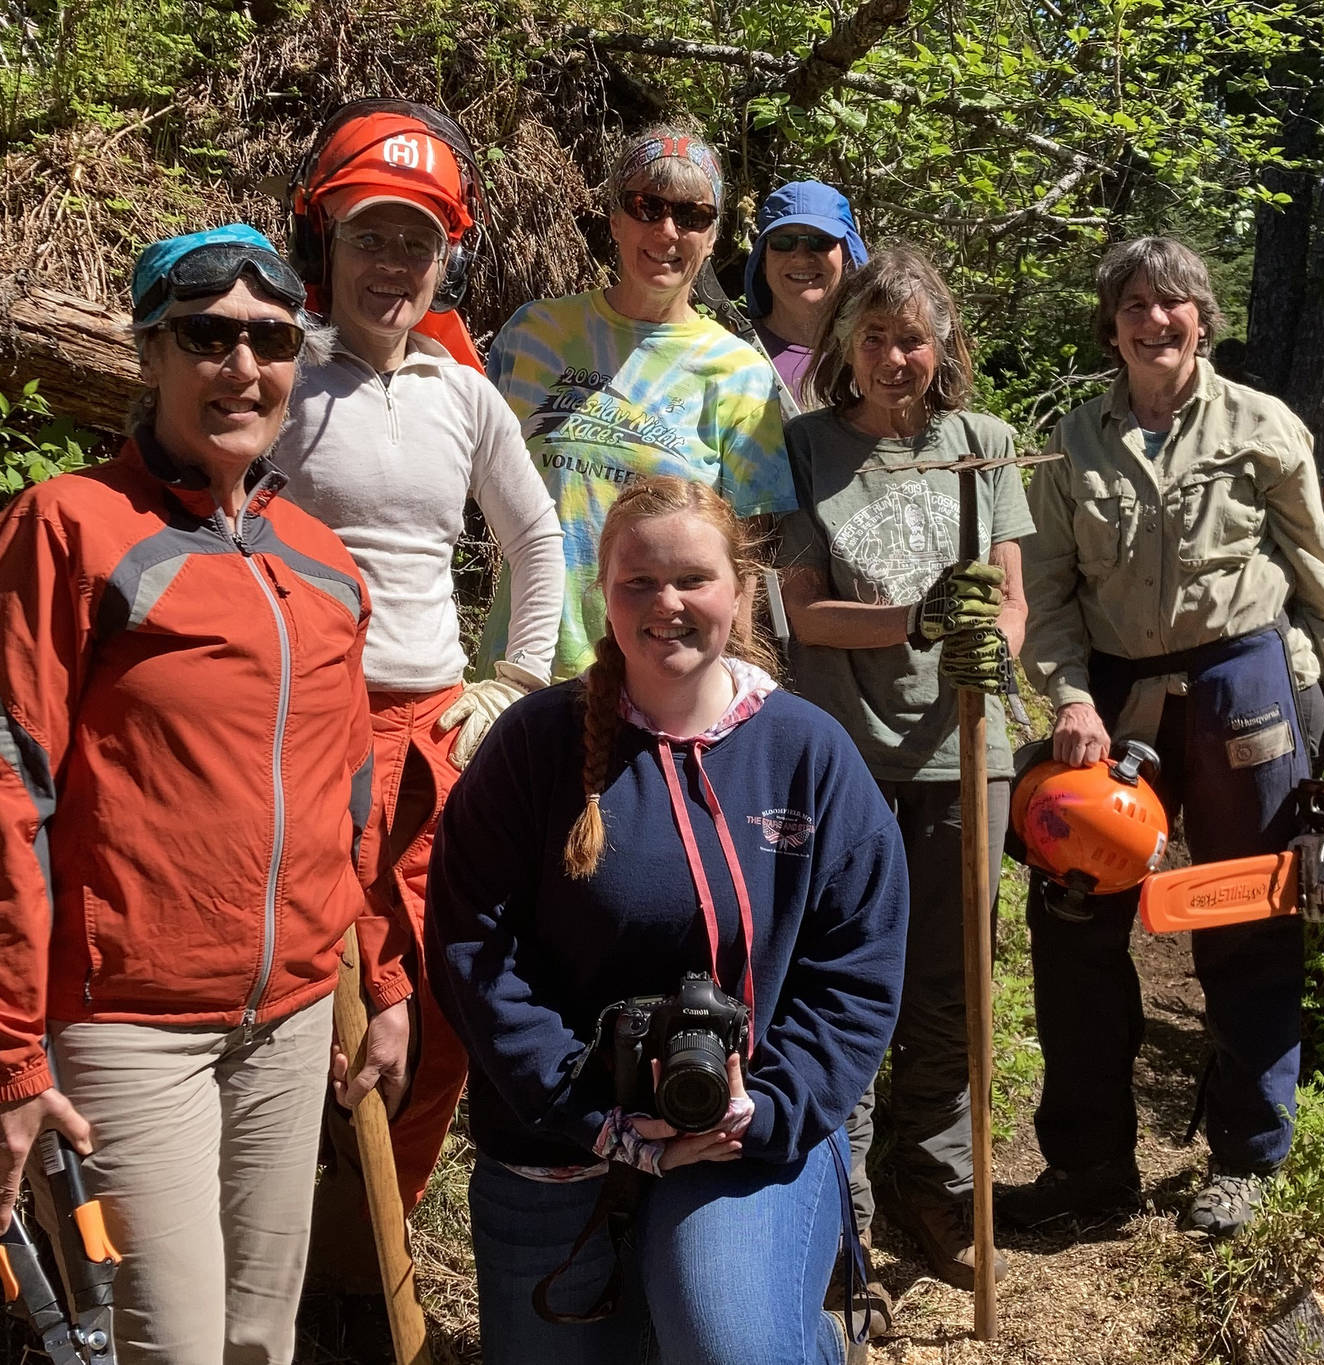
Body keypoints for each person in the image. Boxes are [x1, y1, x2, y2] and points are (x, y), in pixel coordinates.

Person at [0, 224, 371, 1364]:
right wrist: (3, 1059)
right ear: (148, 354)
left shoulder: (323, 563)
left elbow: (349, 800)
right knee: (164, 1348)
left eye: (270, 339)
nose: (241, 367)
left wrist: (381, 980)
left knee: (260, 1344)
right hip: (128, 1027)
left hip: (289, 1020)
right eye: (206, 337)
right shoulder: (71, 528)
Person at [425, 475, 909, 1364]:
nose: (667, 604)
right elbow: (472, 947)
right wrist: (589, 1110)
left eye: (693, 578)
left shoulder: (806, 754)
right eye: (638, 583)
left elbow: (856, 970)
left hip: (748, 1134)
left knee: (728, 1339)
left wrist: (762, 1110)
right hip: (557, 1131)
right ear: (601, 595)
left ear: (743, 590)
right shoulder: (536, 747)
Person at [1000, 236, 1324, 1241]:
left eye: (1171, 302)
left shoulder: (1261, 427)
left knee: (1248, 922)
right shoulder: (1069, 444)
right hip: (1111, 707)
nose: (1153, 318)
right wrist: (1068, 701)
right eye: (1132, 303)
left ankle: (1245, 1161)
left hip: (1242, 691)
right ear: (1110, 324)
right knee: (1074, 928)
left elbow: (1321, 586)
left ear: (1202, 318)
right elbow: (1043, 596)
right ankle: (1089, 1170)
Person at [276, 100, 566, 1321]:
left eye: (416, 243)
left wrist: (512, 685)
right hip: (296, 734)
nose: (392, 265)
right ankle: (277, 1257)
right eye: (369, 237)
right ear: (323, 242)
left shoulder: (463, 393)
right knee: (306, 994)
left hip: (433, 730)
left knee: (440, 991)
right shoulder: (275, 372)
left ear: (444, 255)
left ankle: (373, 1247)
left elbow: (536, 538)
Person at [776, 243, 1029, 1308]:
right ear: (844, 347)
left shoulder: (985, 444)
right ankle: (831, 1223)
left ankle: (933, 1198)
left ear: (943, 346)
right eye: (873, 338)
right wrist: (916, 617)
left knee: (950, 983)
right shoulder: (802, 450)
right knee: (842, 979)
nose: (892, 358)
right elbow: (799, 611)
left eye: (911, 339)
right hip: (845, 752)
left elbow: (1013, 600)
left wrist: (993, 647)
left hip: (967, 749)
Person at [481, 124, 797, 679]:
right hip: (523, 666)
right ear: (615, 218)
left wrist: (734, 685)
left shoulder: (741, 374)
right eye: (646, 206)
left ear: (714, 234)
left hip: (662, 676)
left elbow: (743, 560)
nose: (667, 230)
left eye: (692, 215)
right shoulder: (533, 333)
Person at [743, 179, 869, 405]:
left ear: (848, 256)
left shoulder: (877, 355)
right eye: (784, 241)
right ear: (763, 260)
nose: (801, 257)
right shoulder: (732, 353)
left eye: (820, 241)